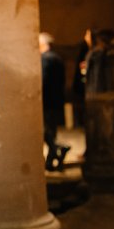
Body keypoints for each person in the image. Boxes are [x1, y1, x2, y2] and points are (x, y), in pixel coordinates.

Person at [39, 32, 69, 171]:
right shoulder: (58, 58)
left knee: (46, 131)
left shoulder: (45, 58)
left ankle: (59, 148)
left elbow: (43, 81)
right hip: (57, 100)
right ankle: (50, 162)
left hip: (46, 100)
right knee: (51, 130)